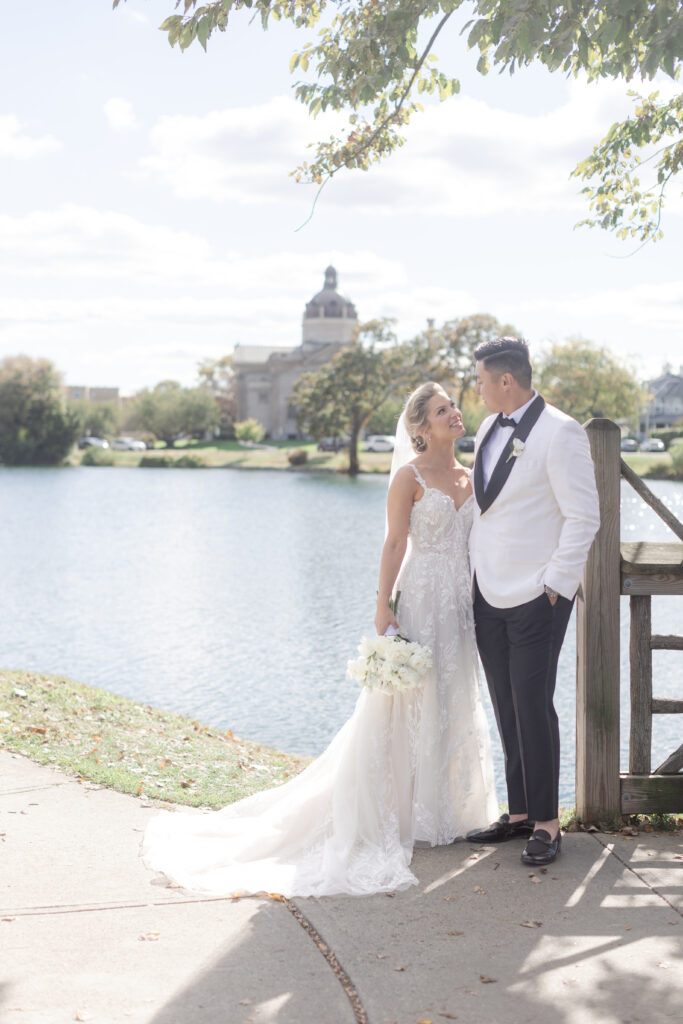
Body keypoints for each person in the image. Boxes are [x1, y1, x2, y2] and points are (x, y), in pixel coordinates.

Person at [142, 382, 497, 898]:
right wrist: (383, 606)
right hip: (420, 598)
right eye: (443, 410)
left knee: (454, 696)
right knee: (406, 703)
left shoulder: (471, 475)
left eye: (453, 406)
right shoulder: (409, 477)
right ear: (421, 428)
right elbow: (395, 541)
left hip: (461, 606)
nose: (455, 413)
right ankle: (398, 810)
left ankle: (450, 809)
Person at [466, 337, 600, 866]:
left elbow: (583, 516)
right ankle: (519, 811)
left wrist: (556, 584)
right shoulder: (484, 428)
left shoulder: (561, 432)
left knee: (533, 703)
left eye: (480, 379)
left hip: (536, 594)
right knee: (505, 700)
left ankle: (548, 822)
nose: (475, 388)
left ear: (505, 380)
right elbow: (487, 508)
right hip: (488, 587)